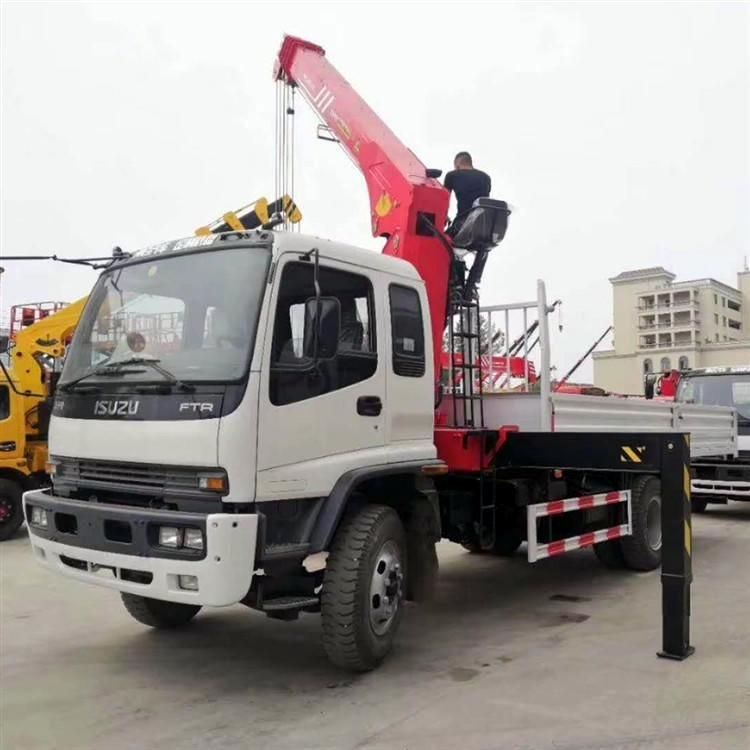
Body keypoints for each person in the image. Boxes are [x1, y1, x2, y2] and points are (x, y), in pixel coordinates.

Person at [443, 151, 491, 233]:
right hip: (484, 226)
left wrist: (444, 216)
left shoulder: (452, 175)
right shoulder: (486, 177)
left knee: (442, 240)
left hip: (463, 224)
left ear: (457, 165)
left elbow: (443, 198)